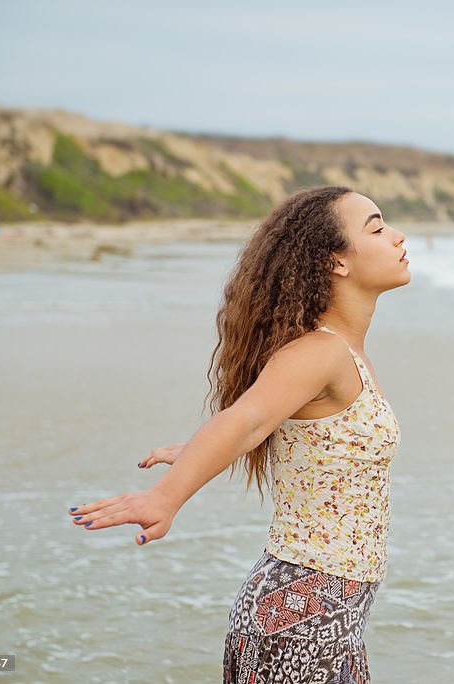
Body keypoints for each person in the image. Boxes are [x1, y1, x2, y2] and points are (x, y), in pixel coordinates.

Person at [66, 186, 410, 682]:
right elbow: (246, 419)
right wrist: (166, 497)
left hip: (329, 612)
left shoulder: (342, 352)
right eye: (376, 228)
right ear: (336, 262)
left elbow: (289, 432)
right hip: (301, 614)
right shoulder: (321, 351)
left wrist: (198, 451)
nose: (397, 235)